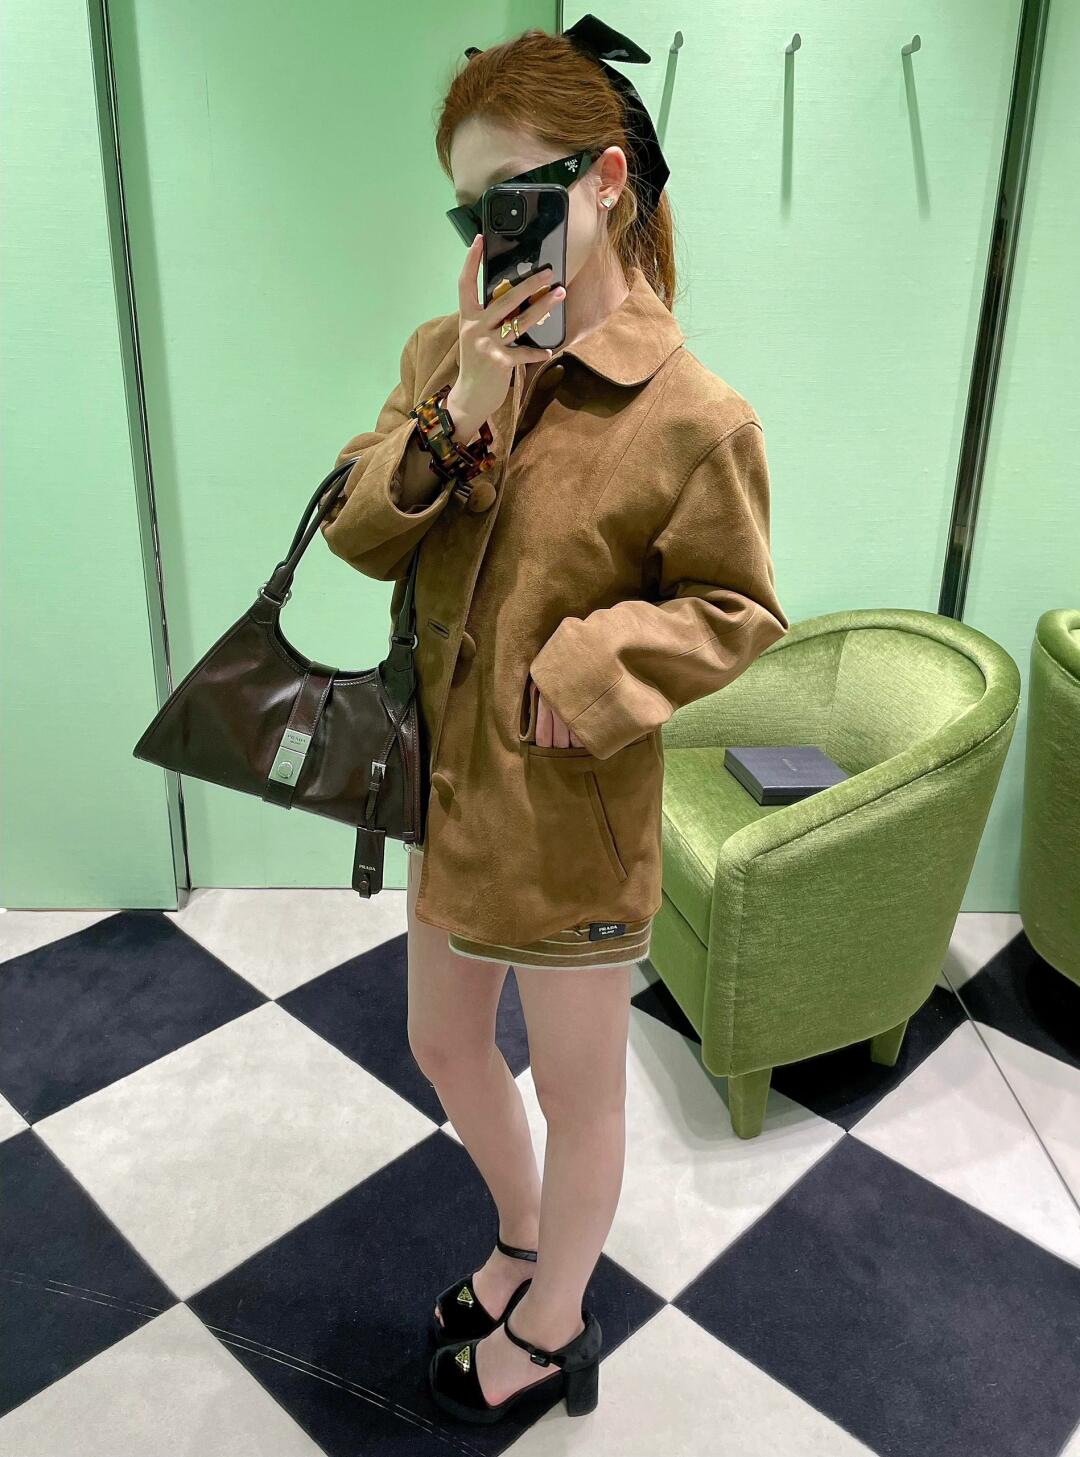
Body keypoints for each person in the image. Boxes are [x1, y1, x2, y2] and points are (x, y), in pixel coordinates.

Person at [320, 20, 789, 1425]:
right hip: (446, 791)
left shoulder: (692, 414)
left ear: (603, 181)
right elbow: (355, 532)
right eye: (466, 211)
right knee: (442, 1043)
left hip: (576, 817)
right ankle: (524, 1236)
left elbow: (737, 608)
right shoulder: (442, 356)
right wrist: (461, 405)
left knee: (584, 1096)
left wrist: (593, 668)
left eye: (511, 198)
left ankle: (557, 1319)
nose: (487, 237)